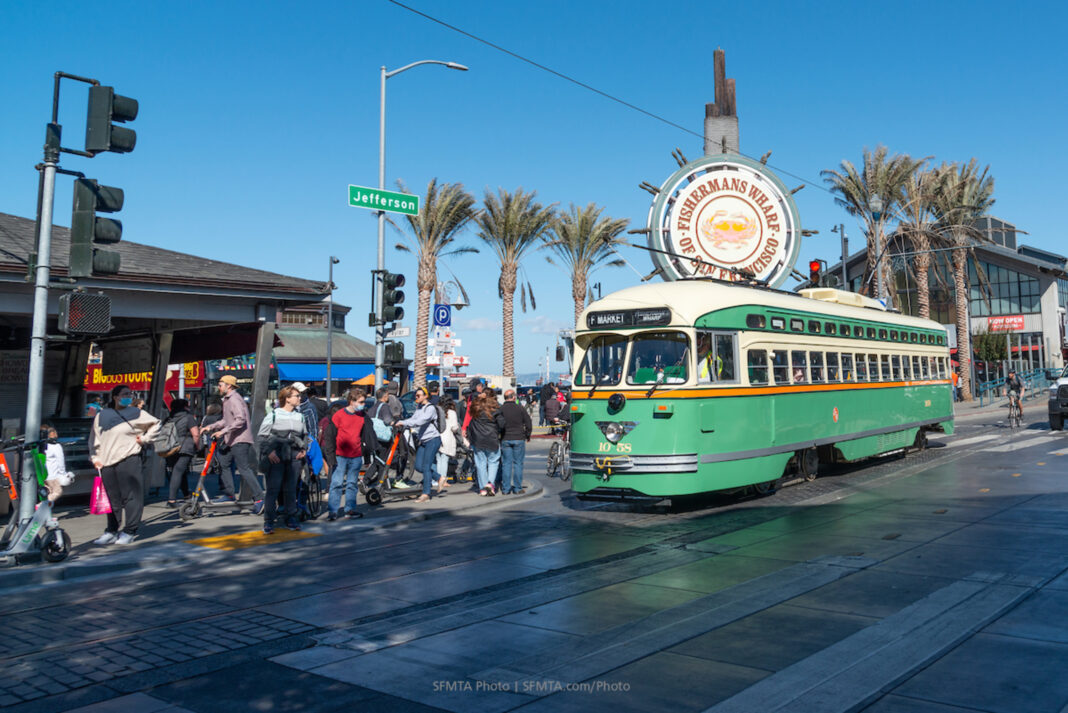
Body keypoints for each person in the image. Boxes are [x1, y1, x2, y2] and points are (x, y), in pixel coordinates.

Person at [89, 384, 161, 545]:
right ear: (115, 397)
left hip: (129, 458)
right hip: (106, 461)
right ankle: (112, 530)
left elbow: (156, 424)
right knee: (111, 498)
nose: (129, 396)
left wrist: (144, 439)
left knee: (131, 496)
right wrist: (95, 457)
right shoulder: (102, 415)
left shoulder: (137, 413)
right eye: (125, 394)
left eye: (130, 393)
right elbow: (94, 438)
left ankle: (129, 530)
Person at [200, 375, 265, 514]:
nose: (218, 387)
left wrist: (222, 432)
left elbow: (240, 420)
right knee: (223, 462)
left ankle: (259, 498)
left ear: (228, 386)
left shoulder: (234, 399)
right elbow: (226, 420)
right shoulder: (227, 400)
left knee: (243, 469)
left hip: (240, 439)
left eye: (220, 384)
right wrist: (210, 427)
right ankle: (229, 493)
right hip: (231, 439)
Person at [257, 385, 308, 534]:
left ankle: (291, 518)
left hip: (294, 456)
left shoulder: (300, 416)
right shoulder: (274, 414)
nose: (300, 398)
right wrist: (269, 452)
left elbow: (304, 435)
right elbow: (262, 436)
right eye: (296, 396)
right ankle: (268, 521)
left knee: (291, 489)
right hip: (277, 455)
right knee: (273, 489)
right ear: (287, 398)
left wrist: (303, 450)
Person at [323, 388, 374, 520]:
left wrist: (366, 457)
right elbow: (329, 436)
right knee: (337, 483)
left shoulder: (363, 416)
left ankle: (350, 510)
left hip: (356, 456)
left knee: (352, 484)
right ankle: (333, 512)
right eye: (361, 402)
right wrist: (331, 457)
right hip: (340, 456)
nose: (363, 405)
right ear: (352, 401)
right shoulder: (339, 415)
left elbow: (366, 437)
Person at [395, 387, 441, 503]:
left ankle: (426, 494)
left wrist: (404, 422)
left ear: (426, 396)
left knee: (426, 467)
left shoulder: (430, 408)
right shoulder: (419, 408)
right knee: (418, 466)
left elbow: (421, 421)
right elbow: (413, 419)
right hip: (423, 441)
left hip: (433, 439)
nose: (416, 397)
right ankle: (439, 478)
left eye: (419, 395)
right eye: (416, 395)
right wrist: (403, 422)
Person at [164, 399, 200, 507]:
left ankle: (186, 495)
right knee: (178, 471)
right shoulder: (188, 417)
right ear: (184, 407)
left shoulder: (168, 418)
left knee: (179, 471)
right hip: (185, 447)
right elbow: (196, 434)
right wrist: (197, 447)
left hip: (170, 447)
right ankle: (171, 501)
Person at [468, 393, 504, 496]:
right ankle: (490, 484)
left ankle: (483, 488)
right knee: (493, 462)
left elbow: (471, 425)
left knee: (480, 464)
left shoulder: (476, 411)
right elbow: (502, 424)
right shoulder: (495, 411)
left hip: (478, 440)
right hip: (492, 439)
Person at [499, 389, 532, 494]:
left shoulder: (501, 409)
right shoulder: (520, 408)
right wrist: (527, 435)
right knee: (518, 463)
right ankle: (517, 488)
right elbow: (528, 423)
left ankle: (506, 489)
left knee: (506, 464)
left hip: (505, 438)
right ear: (513, 397)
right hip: (519, 437)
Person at [41, 423, 75, 503]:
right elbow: (60, 461)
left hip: (44, 474)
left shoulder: (44, 446)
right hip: (53, 475)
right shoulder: (56, 446)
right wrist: (63, 473)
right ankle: (41, 506)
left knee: (48, 493)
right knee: (57, 492)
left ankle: (46, 513)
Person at [436, 396, 460, 492]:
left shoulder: (437, 411)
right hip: (447, 437)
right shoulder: (452, 413)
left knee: (438, 459)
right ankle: (443, 479)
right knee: (444, 459)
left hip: (437, 437)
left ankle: (439, 479)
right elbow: (454, 428)